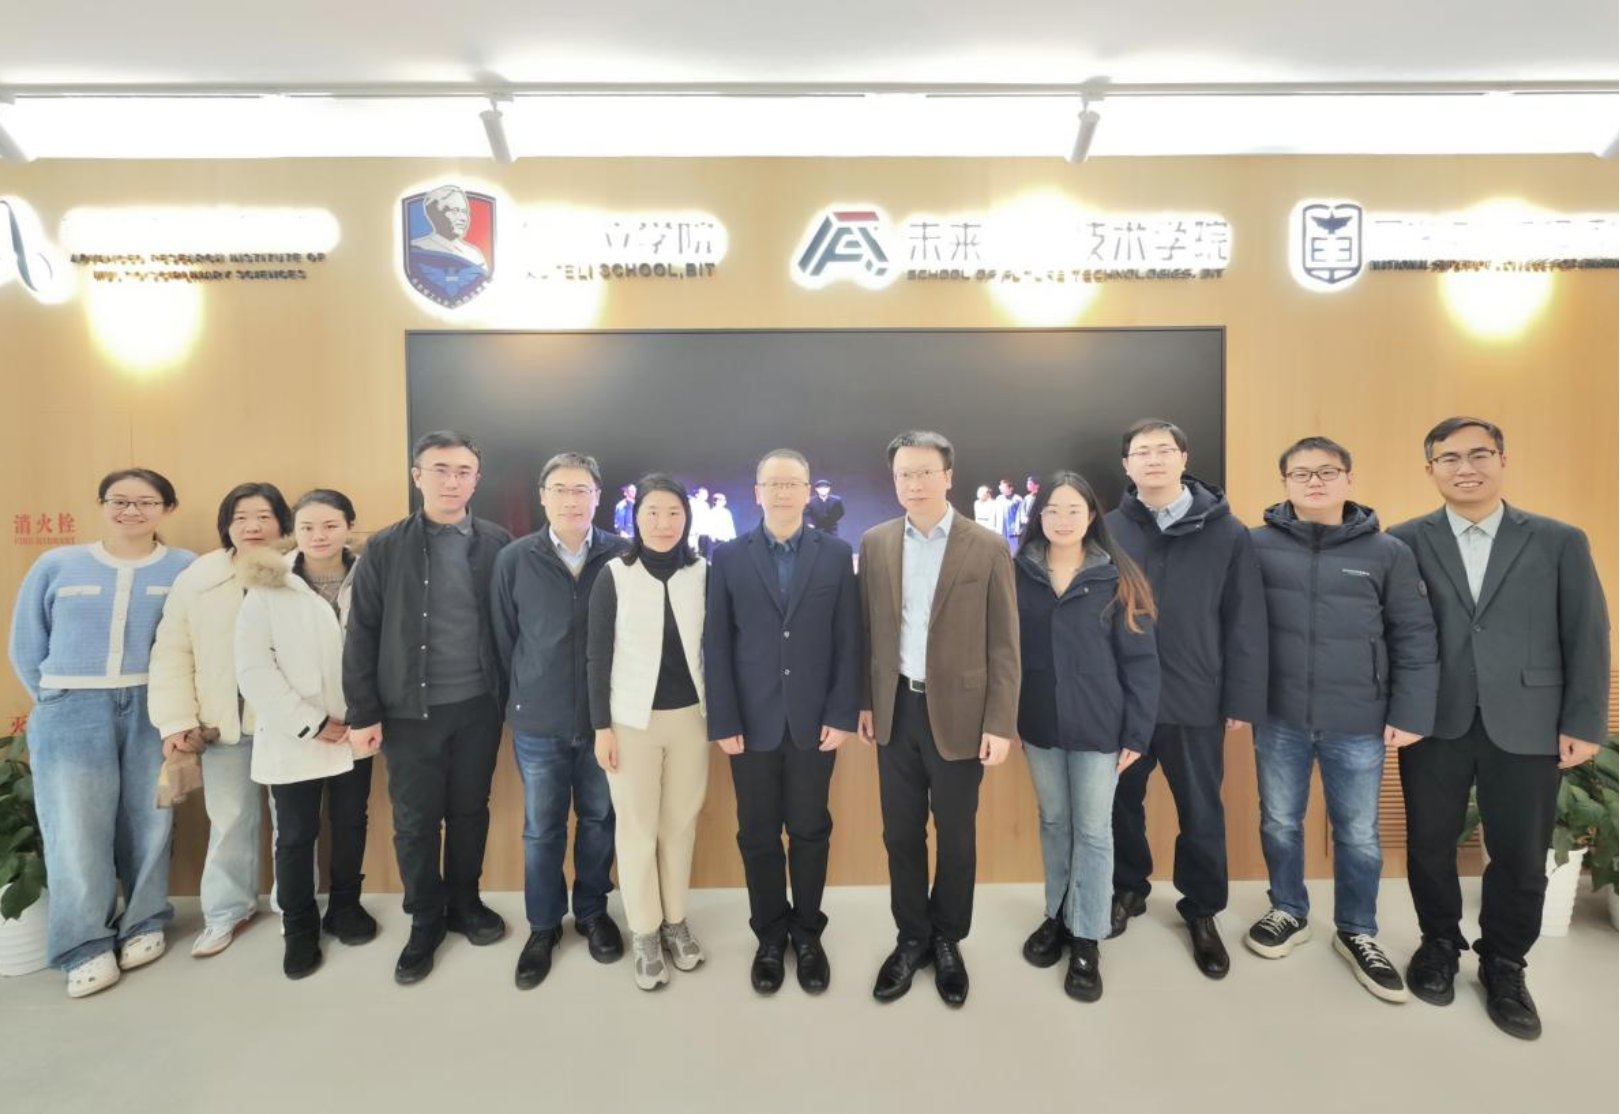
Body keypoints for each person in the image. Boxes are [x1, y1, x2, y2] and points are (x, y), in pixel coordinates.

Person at [1390, 417, 1610, 1040]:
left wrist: (1584, 720)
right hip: (1434, 719)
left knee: (1520, 853)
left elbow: (1587, 633)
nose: (1465, 468)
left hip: (1530, 721)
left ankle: (1505, 963)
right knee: (1430, 842)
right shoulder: (1402, 541)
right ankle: (1438, 943)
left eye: (1479, 454)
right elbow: (1391, 634)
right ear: (1430, 468)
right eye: (1449, 458)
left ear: (1502, 460)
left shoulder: (1558, 540)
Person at [1245, 438, 1438, 1004]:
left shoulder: (1388, 552)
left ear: (1349, 480)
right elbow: (1235, 628)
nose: (1315, 482)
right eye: (1301, 473)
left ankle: (1357, 929)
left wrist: (1410, 710)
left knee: (1357, 833)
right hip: (1278, 715)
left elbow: (1414, 635)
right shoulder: (1253, 546)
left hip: (1358, 719)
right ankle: (1288, 909)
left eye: (1327, 472)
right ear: (1285, 482)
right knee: (1279, 820)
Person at [8, 469, 194, 998]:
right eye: (120, 500)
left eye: (146, 502)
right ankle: (84, 945)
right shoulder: (57, 564)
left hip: (151, 705)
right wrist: (54, 698)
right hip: (72, 708)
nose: (131, 511)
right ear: (102, 504)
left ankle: (144, 921)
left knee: (150, 819)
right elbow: (26, 644)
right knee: (74, 827)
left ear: (167, 509)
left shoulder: (184, 567)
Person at [344, 431, 513, 985]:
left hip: (479, 705)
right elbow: (361, 632)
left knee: (470, 811)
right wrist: (363, 712)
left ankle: (465, 902)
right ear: (417, 476)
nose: (451, 481)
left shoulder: (498, 543)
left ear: (476, 481)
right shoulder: (386, 547)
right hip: (407, 711)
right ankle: (424, 918)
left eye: (463, 471)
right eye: (440, 469)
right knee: (416, 822)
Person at [858, 430, 1019, 1007]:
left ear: (948, 476)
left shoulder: (987, 545)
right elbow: (867, 632)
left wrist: (1000, 721)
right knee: (899, 833)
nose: (914, 483)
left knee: (956, 835)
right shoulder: (876, 542)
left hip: (962, 714)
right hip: (896, 709)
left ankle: (948, 938)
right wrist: (866, 701)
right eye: (904, 473)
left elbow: (1005, 644)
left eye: (925, 472)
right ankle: (911, 937)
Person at [1104, 418, 1267, 979]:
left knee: (1201, 810)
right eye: (1141, 451)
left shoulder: (1229, 533)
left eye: (1163, 450)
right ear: (1126, 465)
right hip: (1123, 702)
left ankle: (1201, 910)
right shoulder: (1106, 530)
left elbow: (1245, 619)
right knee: (1120, 805)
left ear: (1183, 458)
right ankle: (1127, 889)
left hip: (1196, 697)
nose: (1152, 459)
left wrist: (1241, 698)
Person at [704, 450, 859, 995]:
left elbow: (849, 639)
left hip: (816, 723)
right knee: (758, 834)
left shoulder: (835, 554)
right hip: (750, 725)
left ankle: (808, 934)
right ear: (757, 493)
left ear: (808, 491)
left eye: (793, 483)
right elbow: (717, 644)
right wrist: (723, 718)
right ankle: (770, 936)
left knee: (811, 830)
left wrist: (841, 712)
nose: (784, 492)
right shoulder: (729, 557)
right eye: (774, 484)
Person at [1014, 471, 1158, 1003]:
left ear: (1091, 516)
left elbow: (1142, 662)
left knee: (1095, 831)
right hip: (1040, 723)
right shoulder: (1018, 573)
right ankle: (1057, 914)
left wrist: (1137, 732)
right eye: (1052, 510)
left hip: (1101, 726)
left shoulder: (1117, 575)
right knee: (1054, 822)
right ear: (1039, 517)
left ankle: (1087, 935)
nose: (1062, 520)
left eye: (1073, 509)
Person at [491, 452, 628, 991]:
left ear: (598, 497)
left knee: (599, 821)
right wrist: (524, 696)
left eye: (582, 490)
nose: (572, 500)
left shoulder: (622, 554)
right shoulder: (514, 558)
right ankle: (543, 926)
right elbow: (504, 639)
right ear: (543, 496)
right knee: (541, 830)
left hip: (604, 721)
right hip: (539, 721)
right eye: (561, 490)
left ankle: (592, 912)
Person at [236, 489, 379, 980]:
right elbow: (253, 666)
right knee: (295, 835)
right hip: (293, 733)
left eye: (330, 526)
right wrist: (310, 723)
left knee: (351, 822)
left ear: (349, 526)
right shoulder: (268, 585)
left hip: (356, 728)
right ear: (293, 531)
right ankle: (298, 926)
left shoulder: (369, 577)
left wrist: (365, 715)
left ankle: (345, 907)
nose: (319, 536)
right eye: (307, 527)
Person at [150, 481, 294, 959]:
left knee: (293, 823)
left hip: (287, 723)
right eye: (240, 518)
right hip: (221, 725)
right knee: (229, 820)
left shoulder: (298, 570)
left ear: (282, 523)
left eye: (264, 516)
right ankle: (226, 912)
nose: (252, 526)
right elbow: (173, 649)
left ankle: (293, 907)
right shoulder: (199, 577)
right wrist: (176, 720)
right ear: (226, 526)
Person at [588, 474, 710, 991]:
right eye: (653, 512)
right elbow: (597, 656)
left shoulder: (702, 573)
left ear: (687, 519)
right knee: (636, 829)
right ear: (635, 518)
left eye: (674, 513)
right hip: (630, 722)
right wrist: (601, 727)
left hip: (691, 720)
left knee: (679, 825)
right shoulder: (614, 575)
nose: (663, 523)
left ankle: (675, 921)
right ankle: (643, 930)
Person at [995, 479, 1022, 554]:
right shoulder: (999, 498)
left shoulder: (1017, 499)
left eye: (1003, 487)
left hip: (1012, 529)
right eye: (1000, 487)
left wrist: (1018, 528)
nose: (1000, 488)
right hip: (1000, 528)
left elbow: (1021, 515)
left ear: (1010, 488)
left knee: (1012, 550)